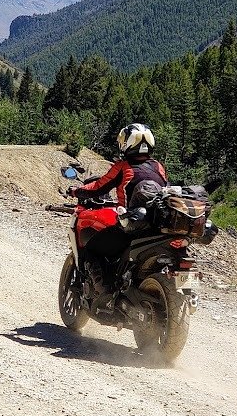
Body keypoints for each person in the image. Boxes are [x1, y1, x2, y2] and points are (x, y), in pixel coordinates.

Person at [68, 123, 168, 297]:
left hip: (132, 226)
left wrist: (76, 190)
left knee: (92, 248)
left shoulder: (123, 167)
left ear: (127, 144)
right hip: (157, 224)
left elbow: (98, 188)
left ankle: (105, 291)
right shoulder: (158, 166)